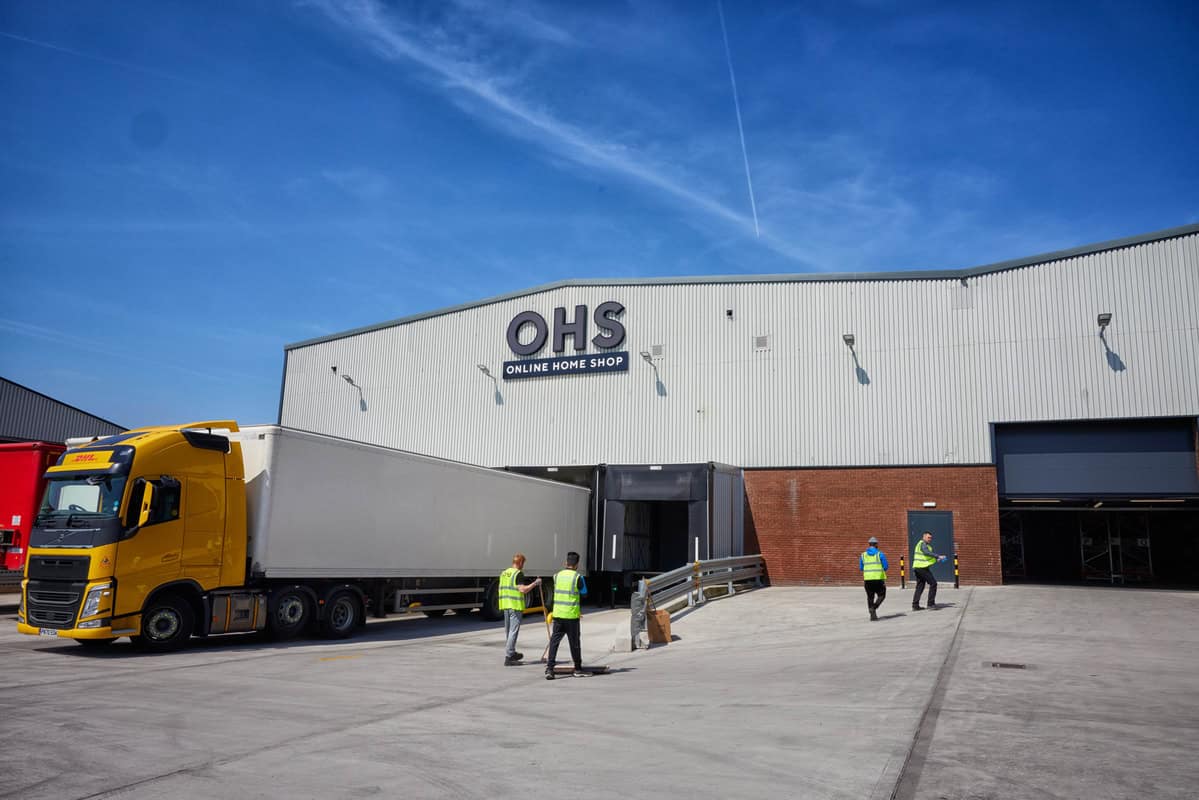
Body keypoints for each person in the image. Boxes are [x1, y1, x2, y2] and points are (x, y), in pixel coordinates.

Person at [545, 551, 588, 680]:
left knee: (554, 642)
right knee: (574, 643)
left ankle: (550, 669)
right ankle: (578, 668)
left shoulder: (556, 576)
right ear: (577, 564)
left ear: (566, 563)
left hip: (558, 615)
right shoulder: (578, 577)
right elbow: (584, 594)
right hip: (571, 616)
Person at [498, 553, 541, 665]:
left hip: (505, 605)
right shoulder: (518, 574)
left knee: (509, 631)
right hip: (515, 605)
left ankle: (511, 652)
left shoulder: (504, 573)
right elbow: (523, 590)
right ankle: (509, 657)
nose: (523, 566)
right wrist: (535, 583)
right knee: (513, 631)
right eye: (523, 563)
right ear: (520, 562)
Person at [911, 531, 948, 611]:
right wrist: (938, 556)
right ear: (924, 537)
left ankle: (915, 605)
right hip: (922, 568)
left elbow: (926, 557)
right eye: (928, 537)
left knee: (920, 586)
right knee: (933, 583)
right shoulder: (922, 544)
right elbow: (926, 552)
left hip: (918, 567)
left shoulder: (923, 545)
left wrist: (937, 559)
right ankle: (930, 604)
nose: (930, 539)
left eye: (930, 538)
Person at [859, 536, 889, 621]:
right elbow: (886, 566)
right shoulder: (880, 554)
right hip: (878, 579)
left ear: (869, 544)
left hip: (868, 580)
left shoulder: (863, 555)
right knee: (882, 595)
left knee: (870, 597)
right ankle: (874, 607)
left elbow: (861, 568)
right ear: (876, 545)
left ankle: (873, 616)